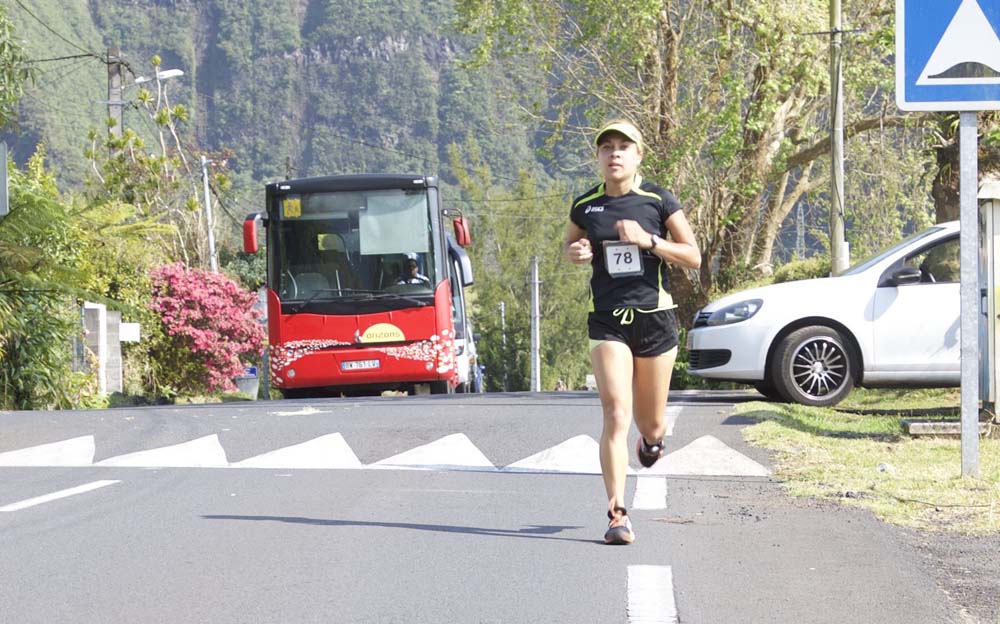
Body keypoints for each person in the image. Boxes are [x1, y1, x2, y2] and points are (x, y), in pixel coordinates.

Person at [564, 119, 701, 545]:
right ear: (599, 157)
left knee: (650, 422)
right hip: (607, 319)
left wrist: (649, 242)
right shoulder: (585, 206)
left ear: (638, 155)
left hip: (654, 318)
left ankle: (654, 442)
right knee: (615, 412)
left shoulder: (658, 200)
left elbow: (693, 256)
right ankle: (616, 514)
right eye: (607, 147)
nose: (615, 153)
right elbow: (571, 247)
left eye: (624, 146)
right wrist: (577, 252)